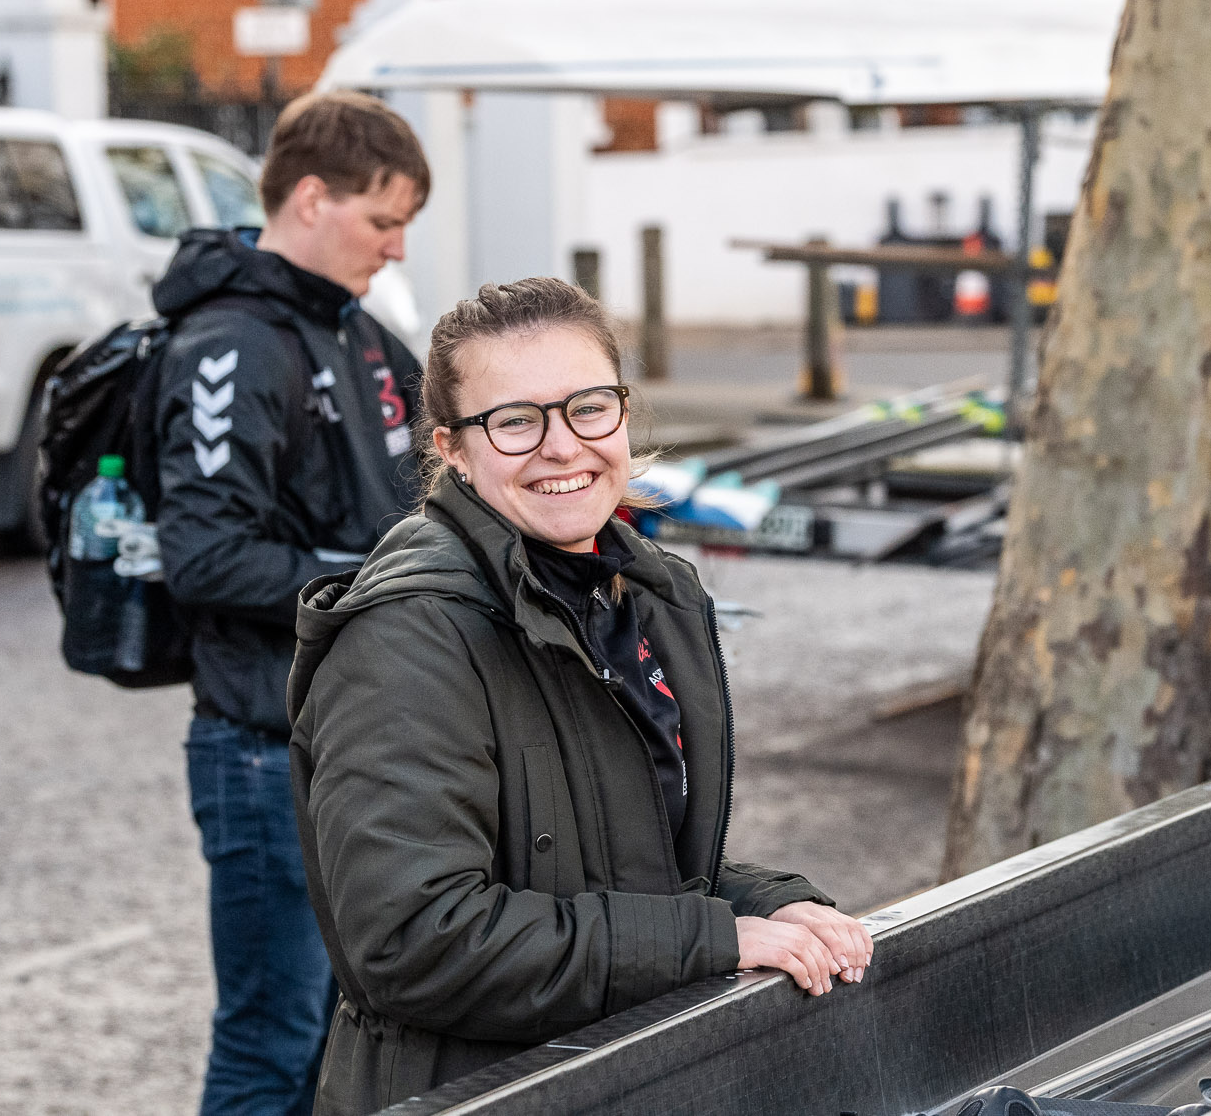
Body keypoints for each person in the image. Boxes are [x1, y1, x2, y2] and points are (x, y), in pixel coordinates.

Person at [285, 278, 873, 1115]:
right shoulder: (408, 635)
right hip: (470, 1092)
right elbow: (414, 939)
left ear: (624, 413)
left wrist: (769, 902)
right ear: (452, 447)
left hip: (614, 1073)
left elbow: (620, 860)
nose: (563, 446)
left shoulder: (646, 593)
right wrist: (714, 938)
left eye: (589, 406)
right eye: (516, 421)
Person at [151, 90, 429, 1115]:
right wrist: (387, 583)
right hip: (265, 748)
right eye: (382, 219)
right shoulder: (233, 342)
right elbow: (208, 557)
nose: (396, 248)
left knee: (339, 1045)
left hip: (353, 742)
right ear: (311, 197)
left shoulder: (352, 330)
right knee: (272, 1045)